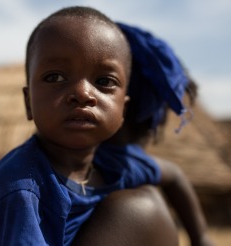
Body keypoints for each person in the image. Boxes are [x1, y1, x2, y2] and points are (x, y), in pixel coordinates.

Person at [0, 6, 173, 245]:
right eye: (55, 77)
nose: (82, 93)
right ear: (28, 103)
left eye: (104, 81)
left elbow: (174, 177)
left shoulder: (114, 163)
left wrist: (201, 237)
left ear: (123, 109)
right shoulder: (20, 187)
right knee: (140, 207)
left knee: (147, 201)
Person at [72, 23, 214, 246]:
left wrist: (200, 237)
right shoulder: (123, 163)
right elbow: (175, 175)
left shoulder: (123, 165)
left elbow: (175, 176)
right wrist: (200, 237)